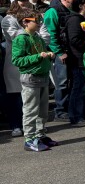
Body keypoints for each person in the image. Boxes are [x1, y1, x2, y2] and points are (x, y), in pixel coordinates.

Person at [11, 8, 57, 151]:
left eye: (39, 20)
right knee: (31, 110)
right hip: (30, 78)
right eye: (36, 20)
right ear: (25, 22)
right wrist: (37, 57)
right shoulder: (21, 39)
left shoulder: (37, 37)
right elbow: (17, 60)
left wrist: (49, 54)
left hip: (42, 76)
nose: (39, 23)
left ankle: (40, 134)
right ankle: (29, 138)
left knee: (43, 110)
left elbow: (41, 52)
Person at [42, 0, 79, 120]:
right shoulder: (53, 11)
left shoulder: (73, 10)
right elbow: (50, 34)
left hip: (72, 51)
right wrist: (59, 52)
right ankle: (60, 110)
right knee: (61, 82)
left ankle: (70, 108)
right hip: (60, 53)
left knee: (72, 81)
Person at [63, 0, 85, 127]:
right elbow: (75, 40)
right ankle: (75, 116)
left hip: (83, 60)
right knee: (78, 88)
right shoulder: (75, 20)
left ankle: (81, 114)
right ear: (81, 6)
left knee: (82, 88)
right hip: (77, 60)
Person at [2, 0, 27, 137]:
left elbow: (44, 36)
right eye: (21, 0)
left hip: (29, 60)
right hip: (14, 63)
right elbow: (16, 37)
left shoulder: (30, 17)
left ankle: (29, 125)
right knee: (15, 96)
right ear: (14, 3)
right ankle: (16, 125)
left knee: (29, 96)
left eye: (26, 0)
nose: (25, 3)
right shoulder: (8, 20)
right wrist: (31, 29)